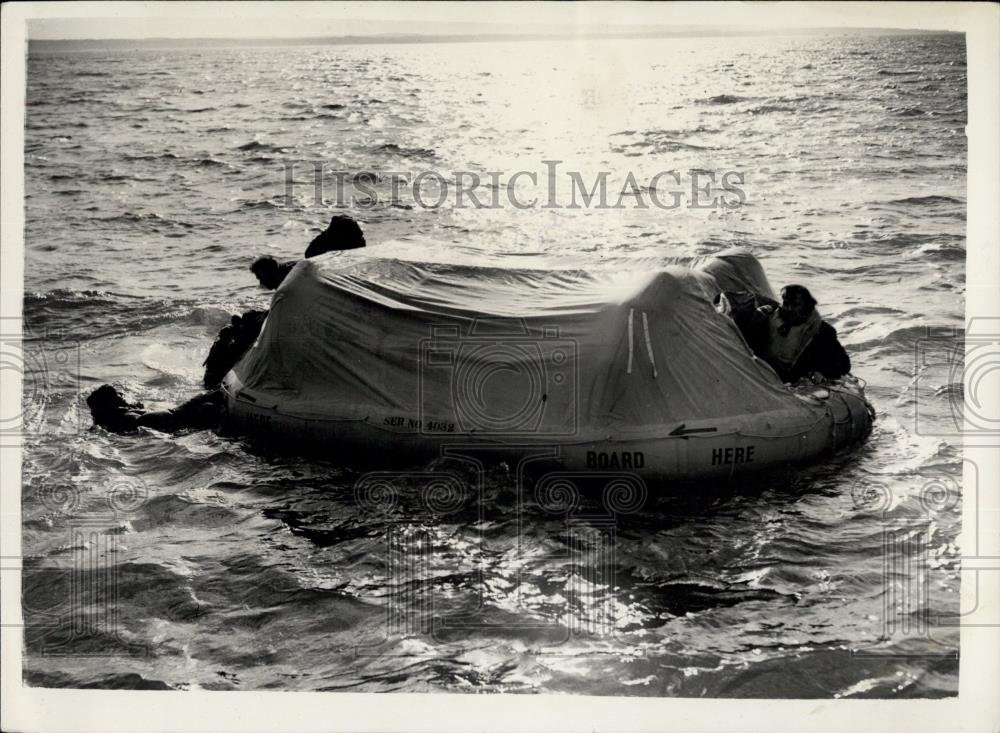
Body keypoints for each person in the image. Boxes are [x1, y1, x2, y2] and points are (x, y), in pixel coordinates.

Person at [757, 284, 851, 383]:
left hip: (793, 378)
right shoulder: (767, 318)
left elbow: (844, 364)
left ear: (806, 306)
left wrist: (821, 372)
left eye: (795, 305)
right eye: (786, 303)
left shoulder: (822, 331)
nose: (789, 309)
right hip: (764, 371)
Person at [87, 384, 224, 434]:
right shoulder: (116, 419)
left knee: (208, 404)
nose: (122, 396)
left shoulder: (120, 413)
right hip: (176, 421)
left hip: (176, 419)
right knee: (208, 404)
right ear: (110, 404)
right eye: (118, 395)